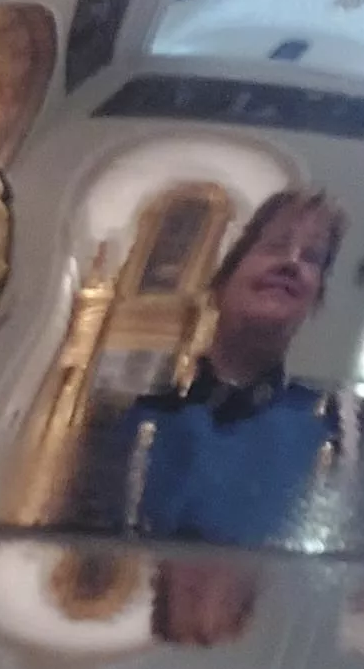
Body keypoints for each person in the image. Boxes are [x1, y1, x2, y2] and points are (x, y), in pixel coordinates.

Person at [121, 188, 347, 645]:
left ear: (315, 300)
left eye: (313, 257)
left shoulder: (333, 430)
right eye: (274, 246)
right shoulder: (139, 409)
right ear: (222, 281)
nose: (292, 263)